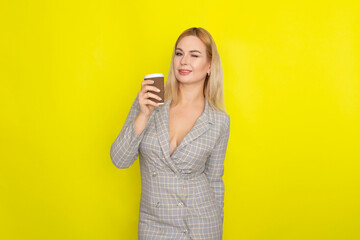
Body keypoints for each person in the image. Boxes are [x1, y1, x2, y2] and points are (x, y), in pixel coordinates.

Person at [110, 27, 230, 239]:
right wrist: (143, 115)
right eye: (179, 53)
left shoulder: (219, 121)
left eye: (194, 55)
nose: (184, 61)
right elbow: (119, 160)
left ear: (209, 65)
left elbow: (214, 181)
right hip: (154, 224)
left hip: (201, 225)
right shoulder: (150, 101)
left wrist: (216, 226)